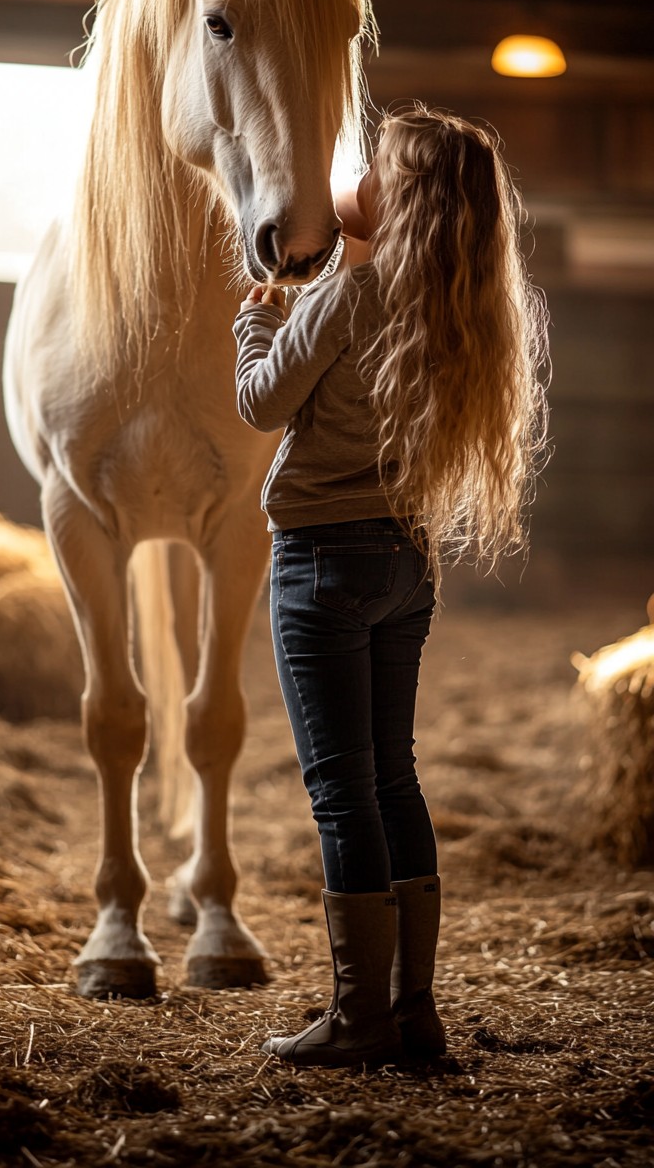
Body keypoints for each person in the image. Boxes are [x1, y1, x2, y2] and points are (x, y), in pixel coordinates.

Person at [232, 102, 549, 1069]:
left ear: (393, 199)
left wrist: (254, 328)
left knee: (341, 794)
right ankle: (414, 1012)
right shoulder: (452, 313)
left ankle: (359, 1017)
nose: (353, 171)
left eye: (370, 163)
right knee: (393, 777)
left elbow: (261, 404)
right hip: (406, 564)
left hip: (321, 561)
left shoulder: (345, 298)